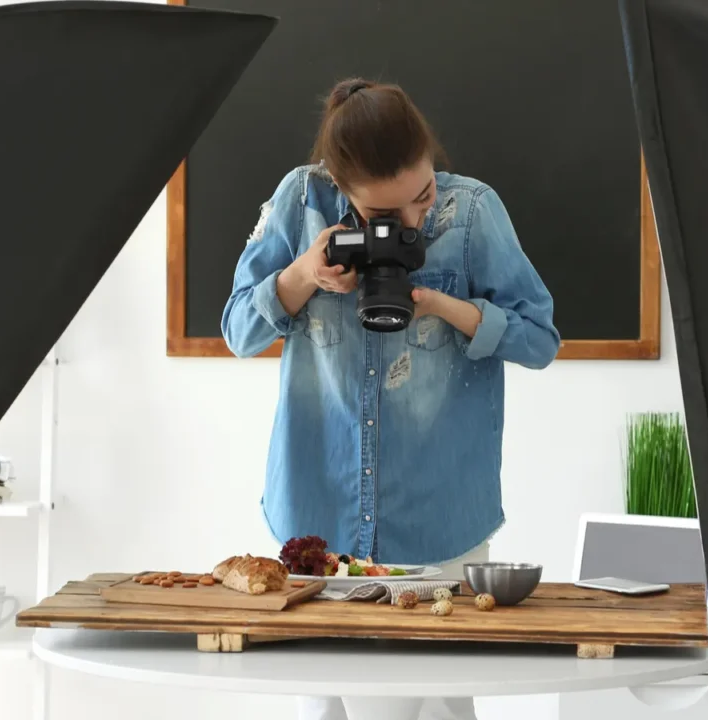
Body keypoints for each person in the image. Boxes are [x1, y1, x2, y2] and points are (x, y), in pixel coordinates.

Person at [221, 77, 560, 720]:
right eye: (383, 218)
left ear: (431, 158)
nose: (413, 220)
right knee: (324, 708)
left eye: (422, 194)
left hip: (442, 517)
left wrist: (449, 309)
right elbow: (239, 330)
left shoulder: (474, 211)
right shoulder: (301, 200)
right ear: (340, 187)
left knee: (443, 705)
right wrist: (302, 275)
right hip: (317, 512)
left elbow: (540, 339)